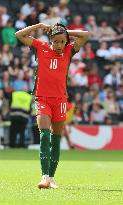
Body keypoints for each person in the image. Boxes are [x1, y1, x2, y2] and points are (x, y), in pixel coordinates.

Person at [15, 22, 89, 189]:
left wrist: (64, 31)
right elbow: (19, 35)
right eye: (56, 41)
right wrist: (39, 25)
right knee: (44, 135)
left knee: (56, 139)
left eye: (63, 41)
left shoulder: (69, 50)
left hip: (61, 101)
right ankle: (44, 177)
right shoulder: (40, 47)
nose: (59, 45)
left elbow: (85, 35)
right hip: (42, 99)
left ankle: (52, 178)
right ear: (50, 40)